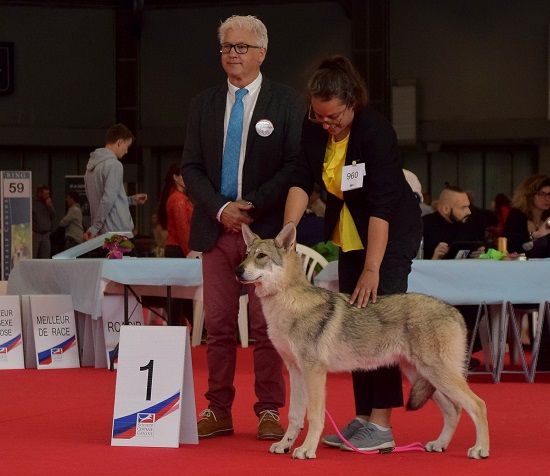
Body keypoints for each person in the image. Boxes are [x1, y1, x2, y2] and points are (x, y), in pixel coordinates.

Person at [284, 55, 422, 452]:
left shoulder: (375, 131)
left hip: (390, 233)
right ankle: (363, 417)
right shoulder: (314, 131)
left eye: (333, 117)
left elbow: (381, 205)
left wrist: (373, 269)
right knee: (352, 324)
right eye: (319, 116)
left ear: (352, 102)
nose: (326, 124)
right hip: (351, 231)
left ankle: (381, 425)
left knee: (378, 320)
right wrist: (288, 231)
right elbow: (301, 180)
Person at [181, 14, 303, 441]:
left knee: (268, 328)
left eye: (241, 47)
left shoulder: (287, 103)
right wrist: (221, 210)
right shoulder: (204, 103)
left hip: (265, 235)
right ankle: (218, 408)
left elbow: (294, 166)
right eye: (226, 47)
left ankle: (269, 410)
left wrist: (250, 207)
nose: (232, 53)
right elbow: (190, 168)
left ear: (261, 53)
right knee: (217, 326)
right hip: (215, 231)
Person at [422, 185, 486, 367]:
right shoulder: (425, 225)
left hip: (464, 285)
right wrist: (434, 257)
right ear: (445, 209)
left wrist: (478, 253)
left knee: (478, 303)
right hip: (432, 288)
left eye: (468, 206)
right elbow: (415, 261)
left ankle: (462, 352)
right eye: (463, 208)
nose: (469, 212)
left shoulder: (470, 225)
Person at [502, 174, 550, 370]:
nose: (547, 198)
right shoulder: (516, 216)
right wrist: (537, 235)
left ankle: (545, 358)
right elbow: (509, 245)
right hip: (519, 282)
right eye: (542, 194)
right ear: (530, 195)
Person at [83, 123, 148, 243]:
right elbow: (108, 199)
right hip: (118, 233)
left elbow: (105, 200)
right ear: (119, 142)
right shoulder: (114, 165)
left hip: (102, 235)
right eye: (127, 146)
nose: (127, 151)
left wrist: (131, 200)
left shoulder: (90, 168)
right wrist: (95, 227)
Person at [154, 163, 194, 326]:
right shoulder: (178, 200)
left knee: (180, 294)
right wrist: (190, 253)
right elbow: (183, 229)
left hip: (176, 250)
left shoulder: (175, 197)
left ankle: (181, 326)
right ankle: (179, 326)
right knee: (180, 294)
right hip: (179, 250)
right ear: (176, 178)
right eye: (183, 175)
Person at [32, 185, 55, 258]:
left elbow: (53, 216)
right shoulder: (33, 203)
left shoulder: (48, 203)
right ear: (39, 193)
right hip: (36, 234)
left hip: (46, 235)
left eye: (48, 194)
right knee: (33, 256)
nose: (48, 196)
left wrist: (50, 206)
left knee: (45, 257)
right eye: (46, 194)